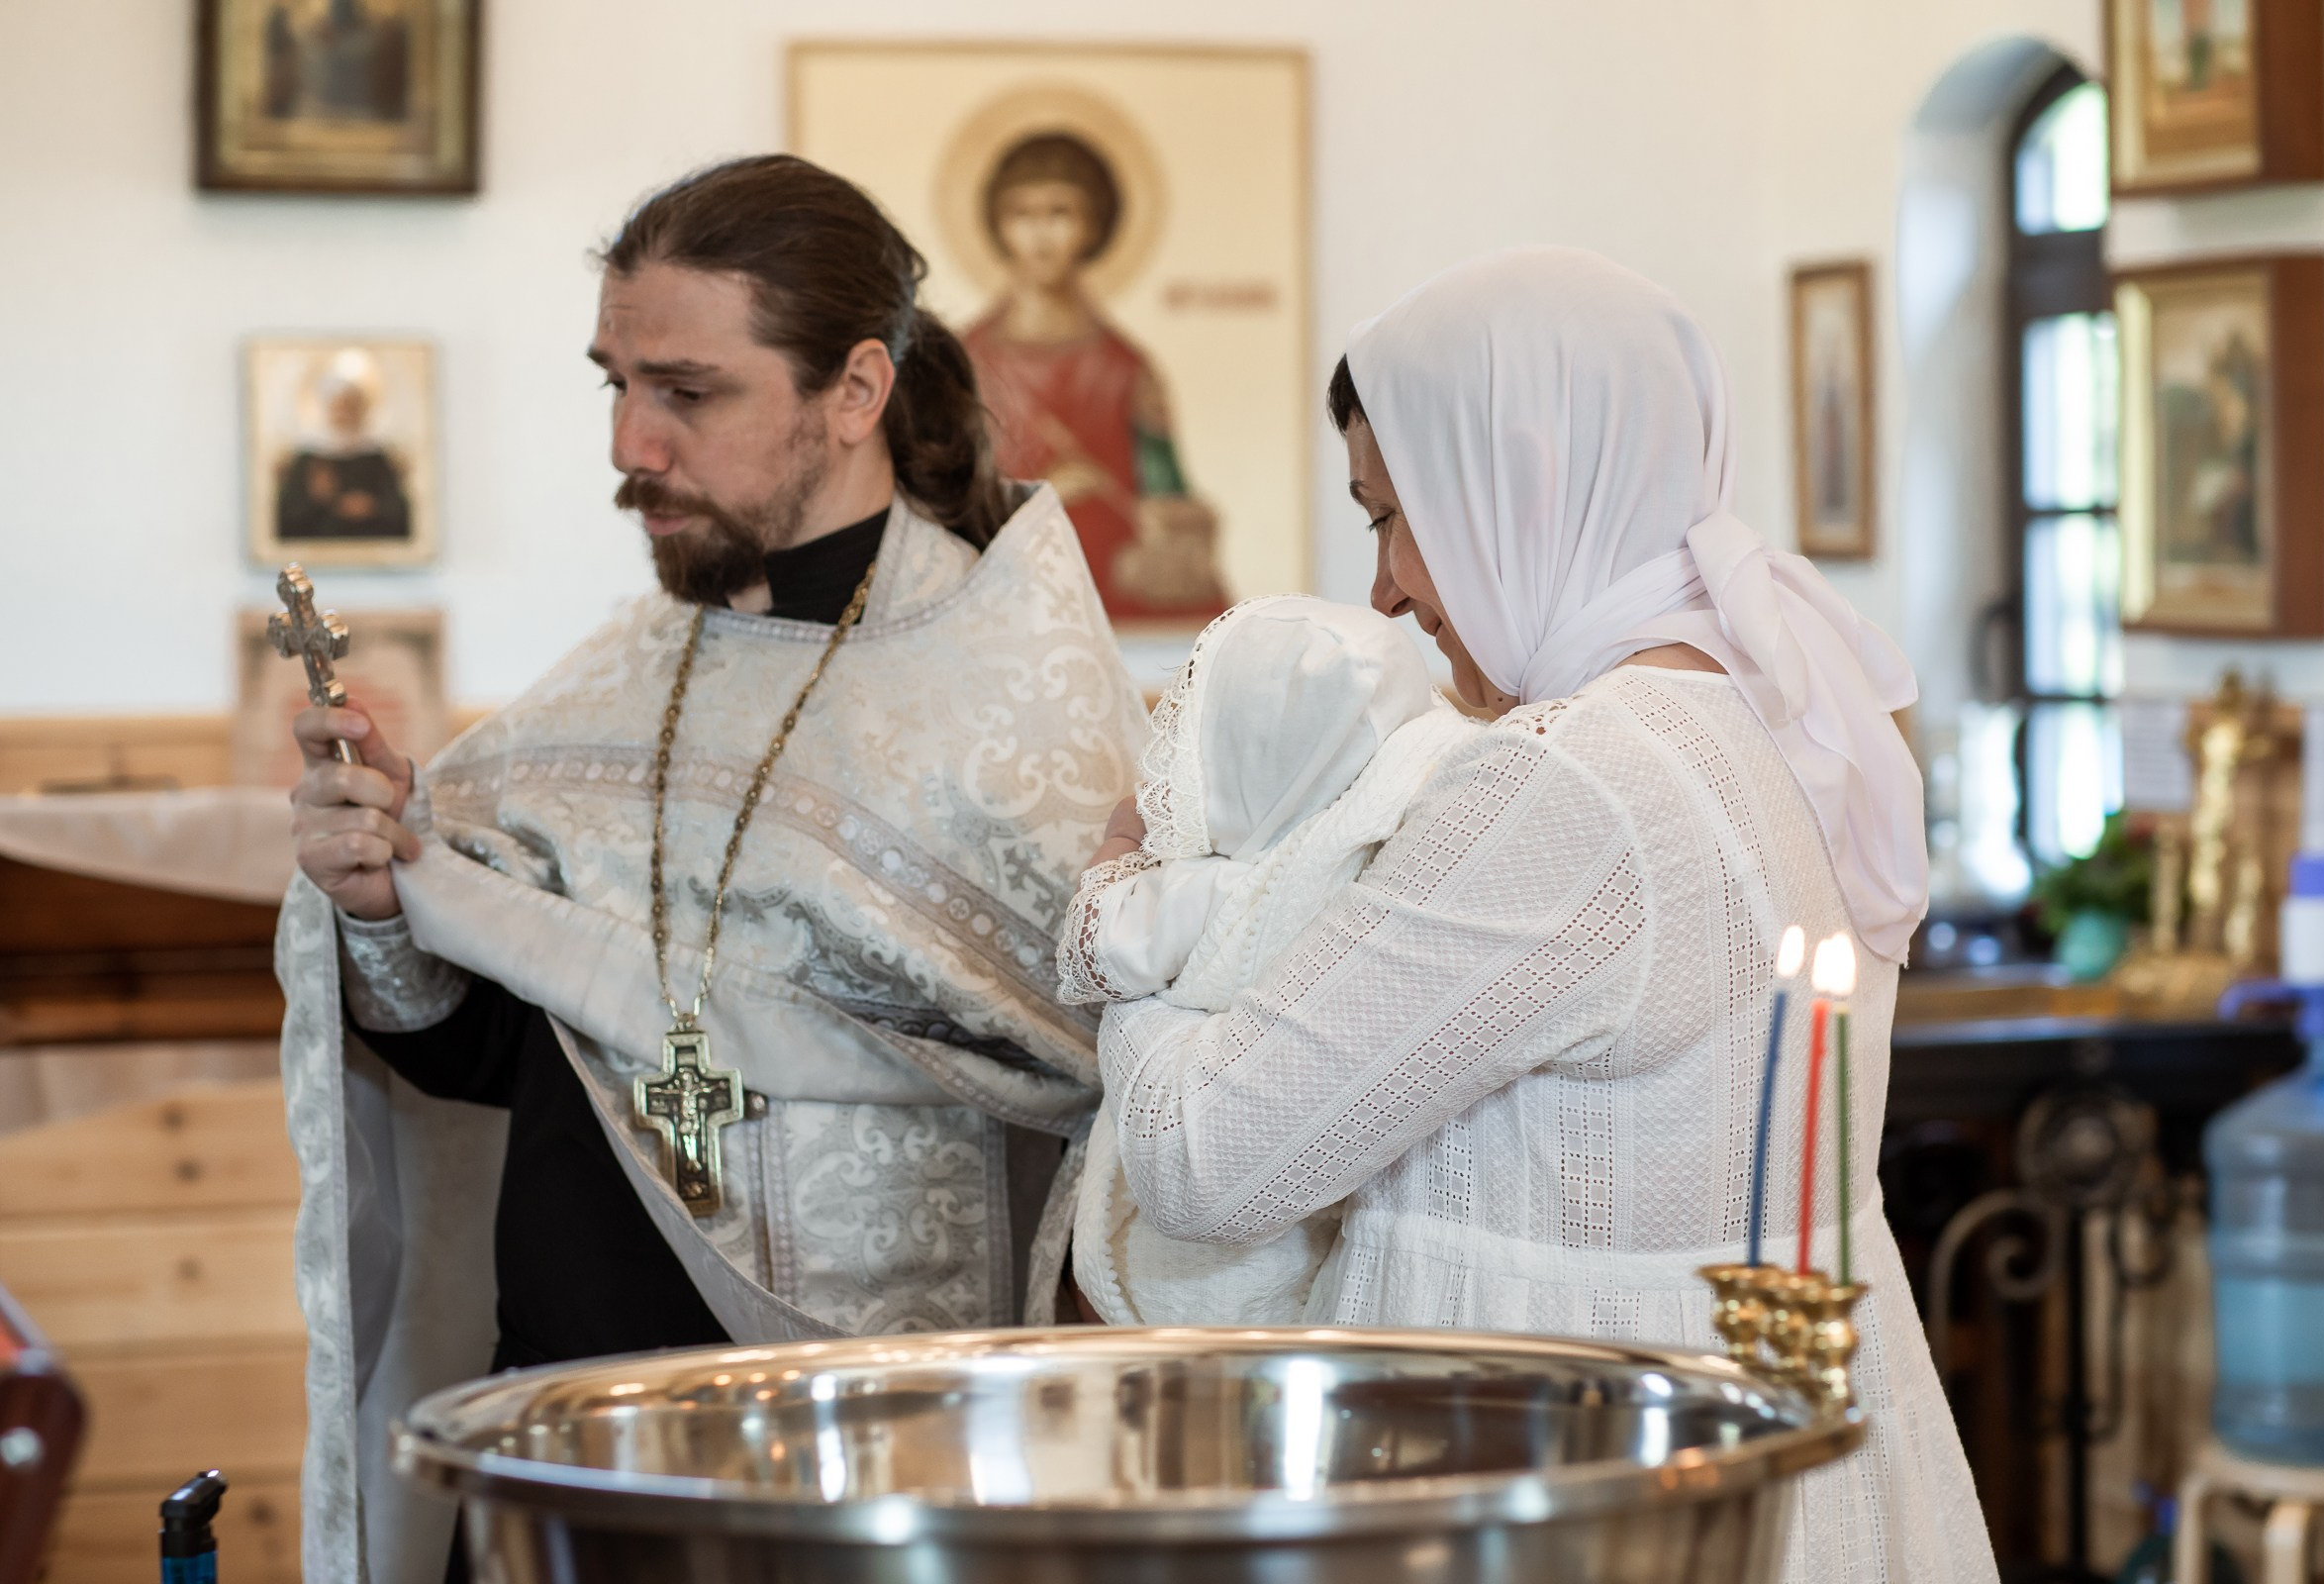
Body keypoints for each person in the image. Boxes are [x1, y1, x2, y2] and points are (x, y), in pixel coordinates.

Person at [276, 155, 1142, 1584]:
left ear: (855, 391)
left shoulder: (1007, 705)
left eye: (688, 391)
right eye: (613, 382)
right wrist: (385, 900)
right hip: (560, 1430)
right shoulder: (619, 684)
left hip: (866, 1462)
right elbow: (499, 1046)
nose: (631, 442)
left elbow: (1086, 1073)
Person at [1096, 248, 1993, 1583]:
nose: (1389, 589)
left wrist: (1132, 916)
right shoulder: (1778, 712)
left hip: (1560, 1475)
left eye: (1396, 517)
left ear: (1515, 490)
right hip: (1778, 1432)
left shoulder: (1569, 779)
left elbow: (1206, 1161)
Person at [1054, 595, 1476, 1325]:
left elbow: (1095, 948)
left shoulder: (1222, 889)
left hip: (1212, 1250)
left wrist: (1121, 845)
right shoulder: (1372, 867)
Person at [962, 132, 1228, 620]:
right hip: (1002, 590)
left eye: (1060, 213)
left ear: (1092, 227)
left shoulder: (1127, 369)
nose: (1041, 234)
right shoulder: (964, 362)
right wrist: (1049, 492)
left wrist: (1166, 519)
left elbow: (1166, 492)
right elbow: (942, 502)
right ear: (999, 227)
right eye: (1023, 214)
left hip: (1111, 589)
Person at [274, 348, 411, 542]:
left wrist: (372, 507)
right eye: (337, 407)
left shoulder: (376, 456)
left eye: (350, 406)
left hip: (370, 546)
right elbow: (286, 522)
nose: (343, 414)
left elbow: (400, 516)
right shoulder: (308, 456)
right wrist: (318, 499)